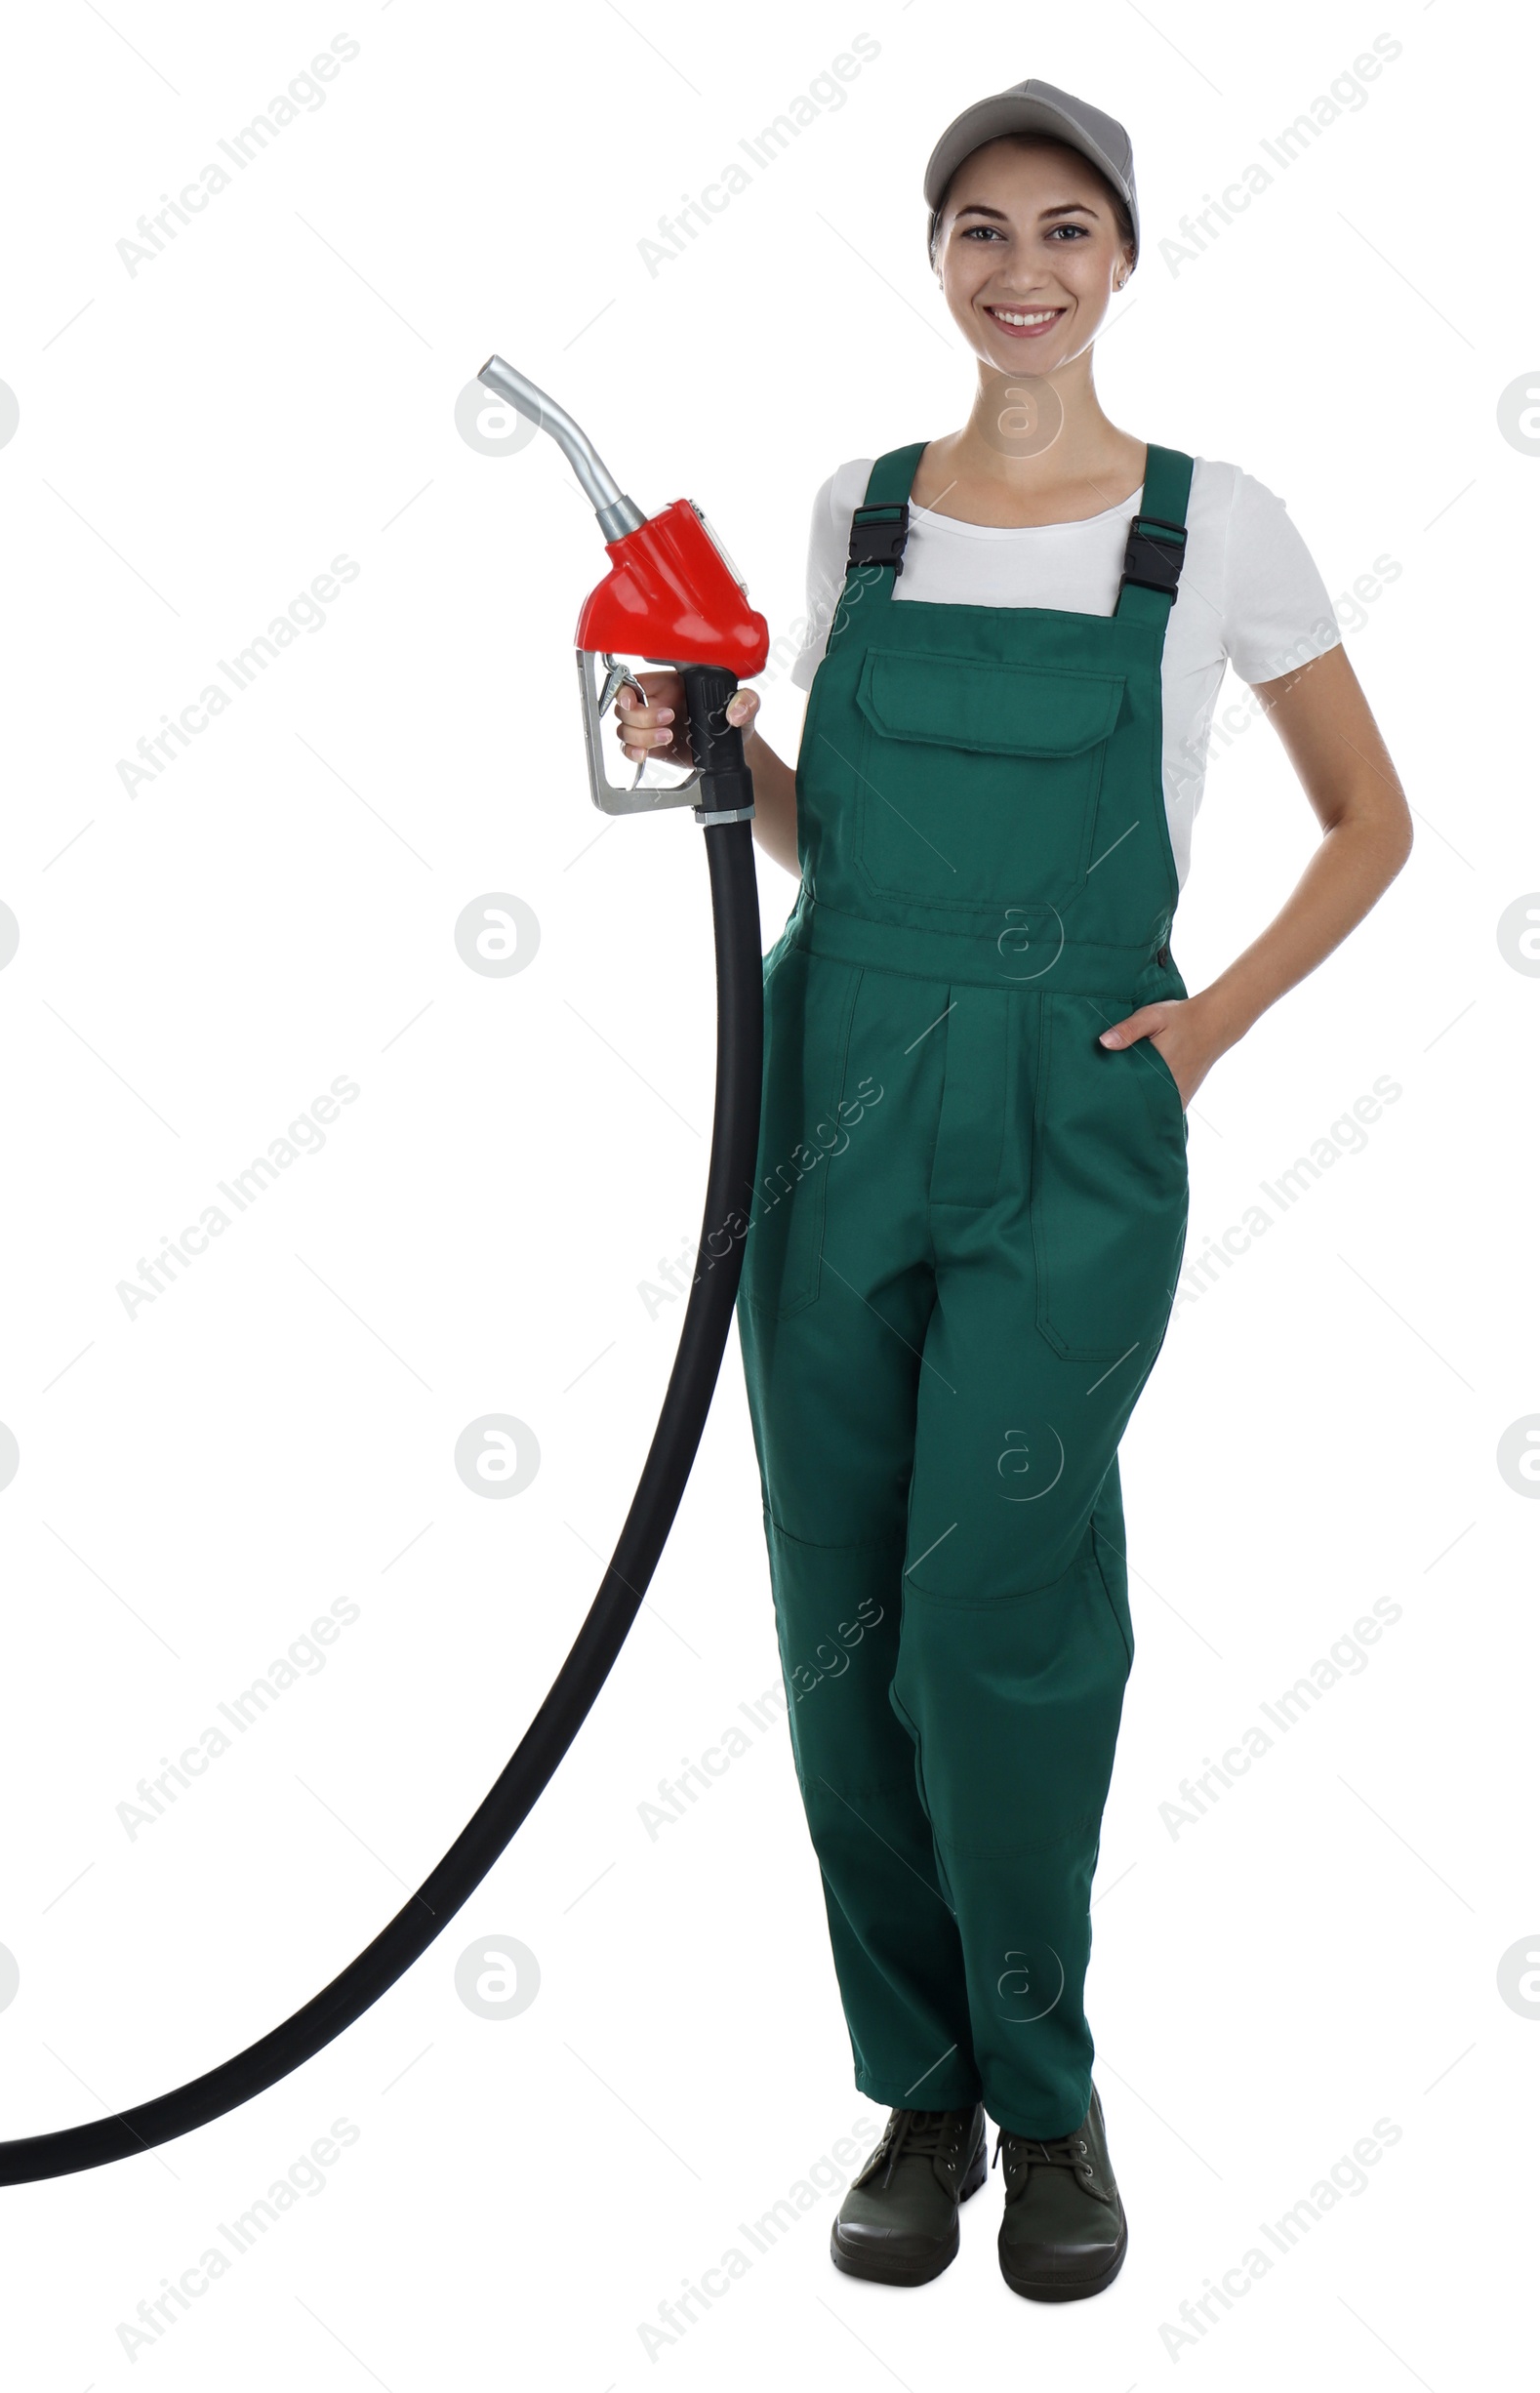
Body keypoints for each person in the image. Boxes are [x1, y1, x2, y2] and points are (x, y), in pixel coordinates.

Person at [615, 77, 1411, 2303]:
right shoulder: (853, 511)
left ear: (1124, 257)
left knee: (992, 1616)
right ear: (936, 254)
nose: (1022, 269)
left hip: (1073, 1109)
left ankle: (1048, 2100)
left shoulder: (1210, 522)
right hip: (835, 1078)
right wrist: (719, 751)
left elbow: (1369, 818)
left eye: (1065, 228)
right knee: (830, 1610)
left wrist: (1212, 1019)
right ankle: (917, 2089)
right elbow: (826, 842)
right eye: (980, 228)